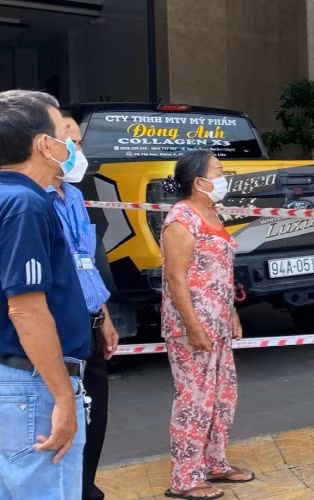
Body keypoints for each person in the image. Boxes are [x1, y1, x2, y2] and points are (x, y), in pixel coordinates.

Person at [0, 90, 91, 498]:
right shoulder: (26, 204)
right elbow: (26, 309)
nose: (70, 146)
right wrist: (62, 395)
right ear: (44, 144)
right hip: (31, 383)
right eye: (64, 136)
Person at [160, 150, 253, 499]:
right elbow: (175, 277)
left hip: (218, 322)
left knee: (222, 397)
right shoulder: (181, 218)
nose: (225, 178)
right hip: (191, 326)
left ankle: (214, 463)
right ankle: (184, 478)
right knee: (194, 401)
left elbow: (217, 271)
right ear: (199, 181)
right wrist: (193, 326)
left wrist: (231, 311)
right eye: (219, 172)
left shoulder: (212, 213)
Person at [44, 114, 120, 500]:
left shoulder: (73, 197)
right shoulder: (30, 202)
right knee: (58, 429)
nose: (79, 152)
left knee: (94, 420)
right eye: (71, 143)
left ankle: (86, 487)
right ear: (45, 145)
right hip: (57, 333)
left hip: (89, 327)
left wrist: (103, 316)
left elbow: (85, 261)